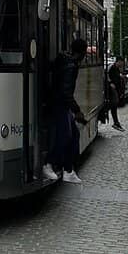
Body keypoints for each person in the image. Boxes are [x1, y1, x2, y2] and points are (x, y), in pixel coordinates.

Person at [42, 35, 87, 185]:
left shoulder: (64, 60)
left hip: (59, 103)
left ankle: (68, 170)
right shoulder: (71, 66)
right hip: (60, 104)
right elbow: (66, 91)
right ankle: (49, 164)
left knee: (73, 134)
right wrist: (77, 110)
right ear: (82, 53)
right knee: (66, 135)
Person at [107, 59, 125, 131]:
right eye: (121, 63)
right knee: (114, 103)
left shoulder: (117, 69)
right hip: (112, 89)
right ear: (118, 61)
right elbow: (107, 75)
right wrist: (110, 83)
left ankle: (116, 122)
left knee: (114, 104)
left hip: (115, 89)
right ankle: (116, 122)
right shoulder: (112, 67)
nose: (122, 65)